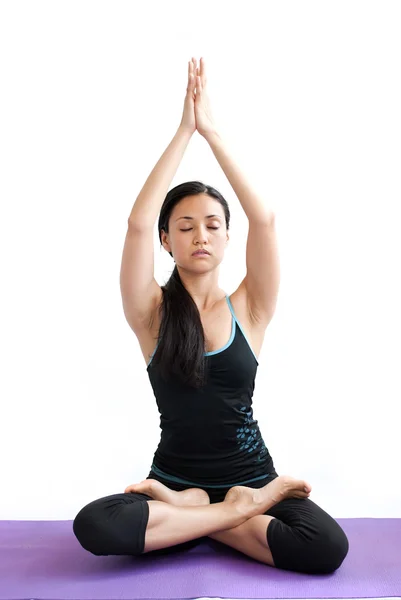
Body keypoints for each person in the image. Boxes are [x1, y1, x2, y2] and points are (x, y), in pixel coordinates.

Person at [73, 57, 349, 575]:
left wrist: (212, 132)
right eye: (184, 226)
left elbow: (264, 217)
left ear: (226, 236)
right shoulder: (150, 313)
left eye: (212, 225)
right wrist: (183, 132)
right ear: (166, 240)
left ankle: (197, 516)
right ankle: (224, 513)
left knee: (326, 546)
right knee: (96, 524)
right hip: (174, 477)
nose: (200, 234)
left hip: (253, 476)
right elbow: (135, 223)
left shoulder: (251, 307)